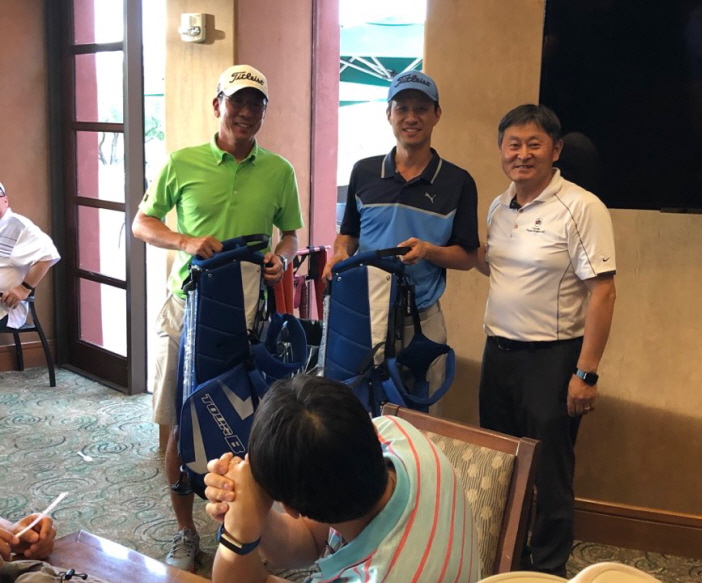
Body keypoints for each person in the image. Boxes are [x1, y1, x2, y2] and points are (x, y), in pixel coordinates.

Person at [131, 64, 304, 571]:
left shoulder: (279, 171)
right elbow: (142, 223)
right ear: (218, 106)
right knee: (179, 425)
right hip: (185, 309)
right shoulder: (181, 162)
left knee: (249, 427)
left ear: (264, 113)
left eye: (256, 104)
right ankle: (186, 531)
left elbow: (290, 234)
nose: (246, 112)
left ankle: (247, 530)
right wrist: (184, 241)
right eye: (237, 102)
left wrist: (282, 259)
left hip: (247, 318)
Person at [475, 104, 617, 577]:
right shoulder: (499, 206)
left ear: (555, 150)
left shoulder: (581, 206)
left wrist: (585, 373)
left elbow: (603, 291)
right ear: (501, 150)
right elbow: (496, 266)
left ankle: (549, 571)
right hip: (498, 355)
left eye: (533, 144)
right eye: (513, 144)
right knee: (500, 468)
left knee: (550, 474)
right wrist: (436, 251)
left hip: (552, 360)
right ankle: (508, 563)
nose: (522, 154)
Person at [202, 374, 480, 583]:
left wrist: (238, 536)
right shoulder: (396, 433)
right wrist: (251, 511)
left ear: (290, 507)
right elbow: (310, 542)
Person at [322, 71, 479, 393]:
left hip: (421, 317)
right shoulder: (364, 171)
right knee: (355, 403)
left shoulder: (458, 181)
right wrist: (339, 254)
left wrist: (428, 251)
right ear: (389, 114)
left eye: (421, 108)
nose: (411, 117)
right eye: (402, 108)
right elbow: (348, 234)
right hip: (364, 310)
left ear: (437, 114)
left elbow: (467, 257)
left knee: (419, 407)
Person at [0, 181, 60, 327]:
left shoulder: (19, 226)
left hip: (5, 308)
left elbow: (48, 254)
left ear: (5, 200)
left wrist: (24, 289)